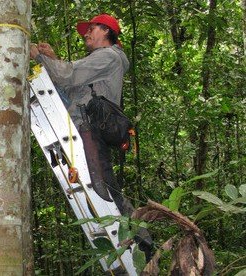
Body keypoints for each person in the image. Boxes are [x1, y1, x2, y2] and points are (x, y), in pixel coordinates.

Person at [30, 13, 153, 260]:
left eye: (91, 29)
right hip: (84, 125)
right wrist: (52, 59)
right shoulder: (100, 60)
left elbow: (68, 75)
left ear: (106, 31)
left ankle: (142, 246)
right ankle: (139, 243)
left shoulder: (108, 56)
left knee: (102, 186)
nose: (86, 33)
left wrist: (39, 56)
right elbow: (72, 87)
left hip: (89, 127)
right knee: (100, 185)